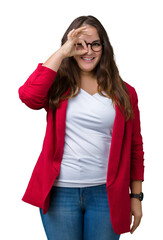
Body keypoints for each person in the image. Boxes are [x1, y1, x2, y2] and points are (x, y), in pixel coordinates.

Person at [18, 15, 145, 240]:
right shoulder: (57, 85)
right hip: (60, 194)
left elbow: (135, 147)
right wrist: (61, 53)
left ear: (104, 47)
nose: (88, 51)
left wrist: (136, 197)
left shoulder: (125, 93)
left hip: (106, 195)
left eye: (95, 43)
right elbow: (29, 96)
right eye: (79, 45)